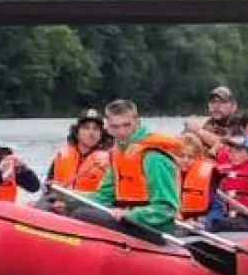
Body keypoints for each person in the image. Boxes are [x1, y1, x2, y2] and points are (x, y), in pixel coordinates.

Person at [75, 99, 182, 234]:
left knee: (82, 215)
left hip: (152, 227)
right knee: (67, 207)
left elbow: (166, 208)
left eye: (126, 125)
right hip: (128, 221)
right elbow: (103, 197)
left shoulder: (152, 156)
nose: (121, 132)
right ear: (107, 127)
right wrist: (69, 197)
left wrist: (130, 215)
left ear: (137, 123)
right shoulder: (116, 154)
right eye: (115, 127)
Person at [209, 133, 248, 232]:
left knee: (216, 224)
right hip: (230, 218)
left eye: (238, 150)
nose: (233, 153)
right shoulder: (223, 173)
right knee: (213, 221)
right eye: (231, 150)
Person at [45, 109, 113, 199]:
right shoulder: (62, 155)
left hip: (91, 206)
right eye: (86, 128)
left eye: (96, 129)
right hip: (58, 202)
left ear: (102, 134)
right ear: (77, 132)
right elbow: (48, 186)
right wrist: (49, 186)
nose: (91, 133)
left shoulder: (110, 159)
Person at [178, 131, 219, 225]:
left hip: (200, 220)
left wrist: (202, 220)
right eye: (181, 156)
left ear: (198, 158)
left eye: (190, 157)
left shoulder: (206, 175)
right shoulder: (169, 173)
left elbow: (216, 207)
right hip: (178, 220)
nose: (185, 160)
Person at [184, 85, 238, 151]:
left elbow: (229, 149)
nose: (216, 106)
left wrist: (199, 131)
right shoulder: (210, 124)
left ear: (233, 106)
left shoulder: (239, 125)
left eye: (223, 102)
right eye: (213, 101)